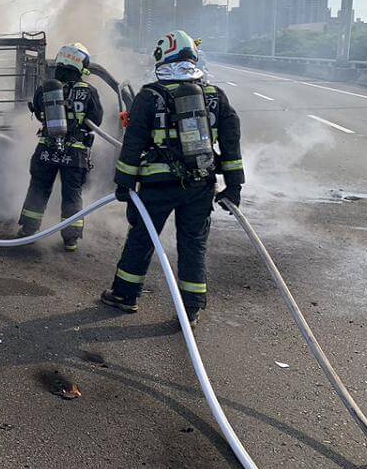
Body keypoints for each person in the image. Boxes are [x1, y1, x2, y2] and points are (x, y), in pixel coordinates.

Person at [100, 30, 244, 327]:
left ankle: (125, 295)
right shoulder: (215, 96)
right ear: (193, 58)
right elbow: (231, 143)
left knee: (142, 238)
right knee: (193, 244)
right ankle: (190, 309)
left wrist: (124, 183)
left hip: (156, 186)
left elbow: (133, 144)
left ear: (161, 59)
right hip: (200, 185)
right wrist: (234, 185)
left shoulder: (149, 95)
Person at [17, 43, 103, 253]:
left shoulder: (46, 89)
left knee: (38, 189)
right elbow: (96, 120)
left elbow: (38, 113)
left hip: (47, 150)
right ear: (81, 65)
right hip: (74, 154)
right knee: (72, 195)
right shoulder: (89, 91)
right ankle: (71, 239)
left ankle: (28, 231)